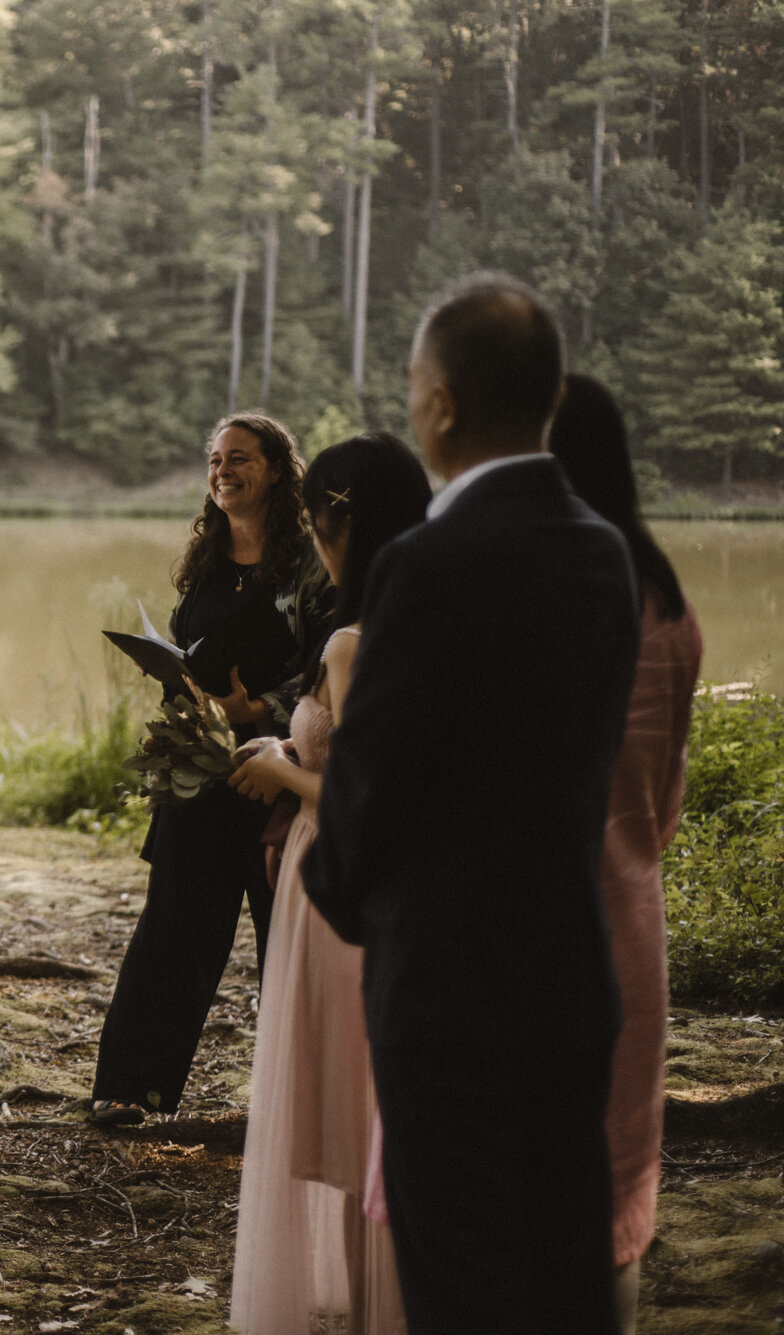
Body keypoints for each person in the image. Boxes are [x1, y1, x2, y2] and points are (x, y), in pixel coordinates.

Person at [303, 272, 640, 1335]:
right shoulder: (603, 553)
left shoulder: (428, 561)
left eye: (412, 384)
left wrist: (335, 886)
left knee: (462, 1282)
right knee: (558, 1273)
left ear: (440, 403)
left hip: (448, 985)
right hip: (565, 971)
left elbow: (372, 778)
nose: (409, 403)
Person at [225, 433, 431, 1334]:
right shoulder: (426, 617)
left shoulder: (351, 641)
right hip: (383, 894)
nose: (311, 538)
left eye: (316, 521)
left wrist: (279, 768)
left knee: (347, 1111)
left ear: (344, 521)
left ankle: (364, 1300)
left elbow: (366, 793)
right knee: (368, 1101)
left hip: (334, 879)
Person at [89, 412, 333, 1124]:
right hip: (200, 773)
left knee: (285, 936)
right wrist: (187, 696)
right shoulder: (206, 560)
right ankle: (131, 1089)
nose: (223, 470)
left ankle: (300, 1103)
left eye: (241, 458)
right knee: (173, 927)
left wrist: (257, 706)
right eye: (215, 459)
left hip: (281, 775)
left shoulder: (310, 566)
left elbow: (334, 667)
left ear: (278, 471)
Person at [548, 373, 704, 1335]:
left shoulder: (539, 593)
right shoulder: (669, 602)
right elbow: (669, 801)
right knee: (608, 1203)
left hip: (529, 928)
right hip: (630, 923)